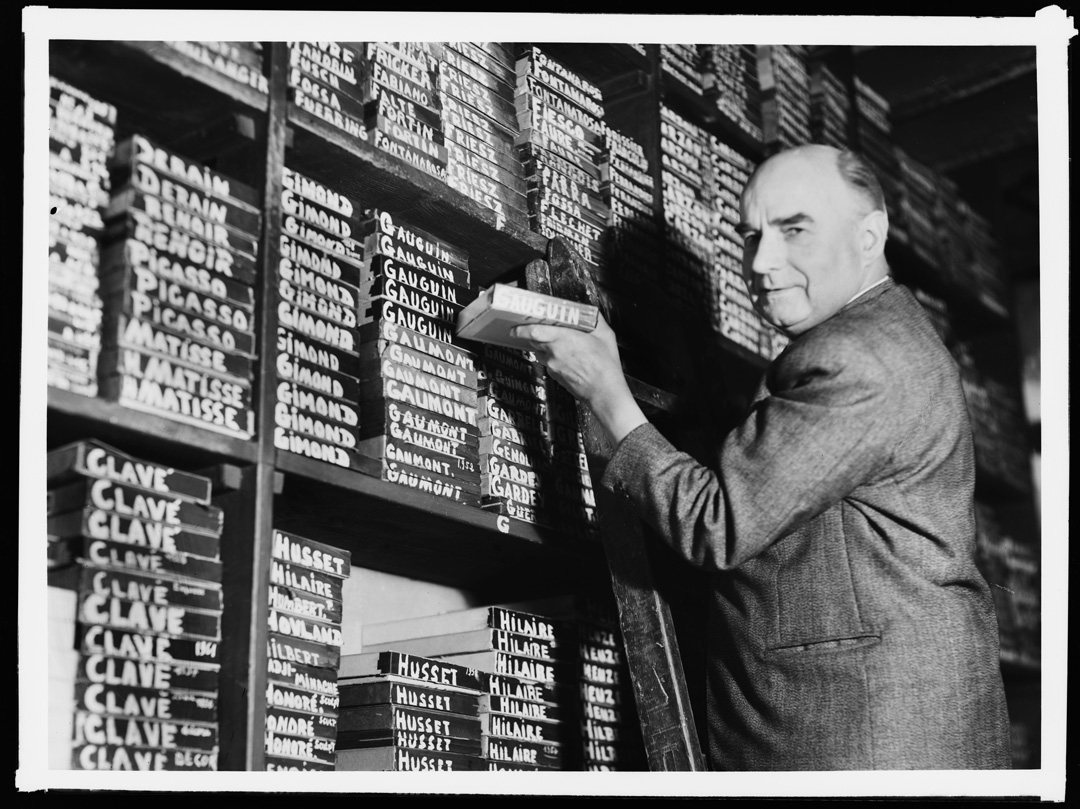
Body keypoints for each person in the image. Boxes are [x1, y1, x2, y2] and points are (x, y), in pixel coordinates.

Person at [512, 144, 1012, 771]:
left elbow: (716, 524)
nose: (761, 262)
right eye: (751, 237)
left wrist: (607, 394)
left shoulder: (856, 356)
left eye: (794, 230)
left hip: (864, 732)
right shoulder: (887, 335)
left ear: (869, 234)